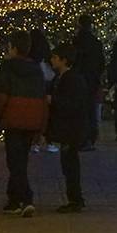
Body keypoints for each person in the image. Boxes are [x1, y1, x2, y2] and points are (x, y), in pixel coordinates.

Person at [0, 28, 49, 217]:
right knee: (20, 160)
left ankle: (26, 198)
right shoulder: (37, 70)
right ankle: (13, 199)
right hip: (32, 119)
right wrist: (42, 126)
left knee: (14, 162)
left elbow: (1, 96)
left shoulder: (7, 68)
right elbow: (42, 97)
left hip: (14, 118)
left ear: (14, 48)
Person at [47, 42, 89, 213]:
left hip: (72, 129)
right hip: (70, 128)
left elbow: (74, 105)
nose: (51, 60)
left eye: (55, 57)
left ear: (63, 60)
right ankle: (75, 198)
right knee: (69, 164)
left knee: (70, 165)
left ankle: (75, 199)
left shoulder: (71, 79)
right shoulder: (62, 78)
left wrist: (53, 101)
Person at [72, 14, 105, 149]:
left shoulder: (76, 42)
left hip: (79, 79)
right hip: (92, 80)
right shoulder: (96, 43)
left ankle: (80, 138)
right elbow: (101, 63)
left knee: (80, 110)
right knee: (91, 110)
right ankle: (90, 139)